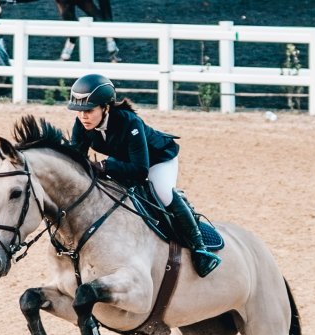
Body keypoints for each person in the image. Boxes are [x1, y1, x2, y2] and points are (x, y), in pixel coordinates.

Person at [66, 73, 221, 277]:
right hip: (127, 162)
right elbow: (76, 160)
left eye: (89, 110)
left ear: (106, 107)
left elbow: (140, 172)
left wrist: (105, 166)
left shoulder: (130, 123)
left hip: (158, 160)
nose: (83, 116)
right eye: (79, 111)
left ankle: (199, 248)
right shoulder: (82, 124)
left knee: (163, 193)